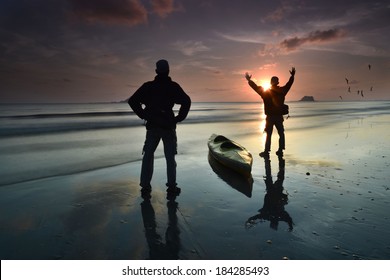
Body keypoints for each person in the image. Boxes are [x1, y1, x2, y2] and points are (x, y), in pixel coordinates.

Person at [128, 59, 191, 199]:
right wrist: (178, 118)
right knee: (170, 158)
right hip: (168, 126)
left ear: (156, 71)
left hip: (153, 127)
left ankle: (145, 187)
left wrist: (143, 114)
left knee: (148, 156)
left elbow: (132, 101)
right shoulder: (173, 87)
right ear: (168, 71)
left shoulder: (148, 86)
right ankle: (172, 188)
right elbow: (186, 101)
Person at [245, 67, 295, 158]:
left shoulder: (266, 92)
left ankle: (266, 151)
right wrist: (292, 76)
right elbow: (289, 84)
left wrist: (249, 81)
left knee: (269, 134)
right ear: (278, 82)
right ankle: (280, 150)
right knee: (281, 133)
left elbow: (255, 88)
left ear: (271, 83)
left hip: (270, 117)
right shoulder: (282, 91)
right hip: (279, 117)